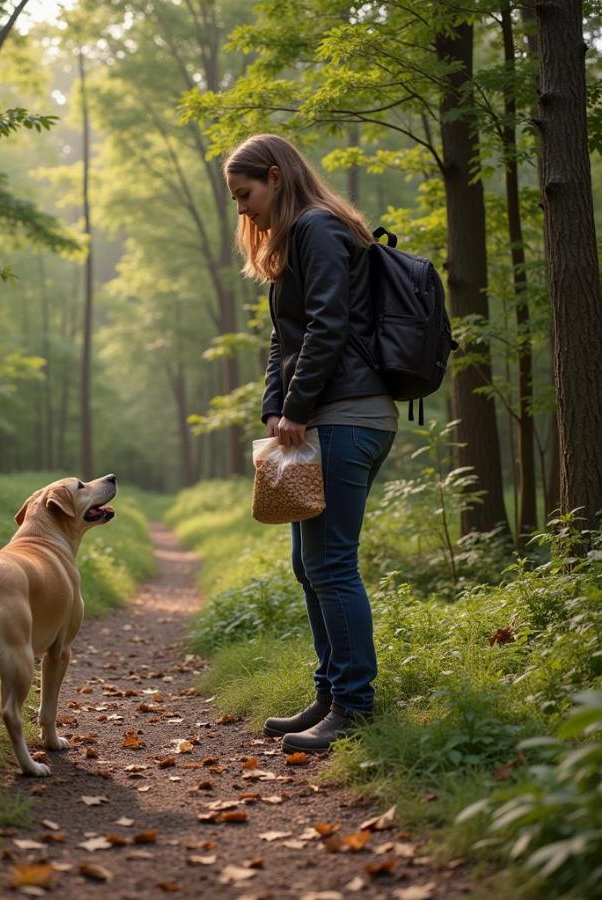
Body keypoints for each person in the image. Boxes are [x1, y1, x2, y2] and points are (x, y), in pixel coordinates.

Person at [224, 133, 397, 752]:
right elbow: (287, 339)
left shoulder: (319, 228)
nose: (243, 210)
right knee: (309, 564)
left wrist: (297, 407)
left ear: (275, 176)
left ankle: (354, 705)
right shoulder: (294, 238)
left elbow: (330, 324)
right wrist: (275, 406)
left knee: (330, 563)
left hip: (347, 417)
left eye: (247, 195)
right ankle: (330, 693)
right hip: (323, 417)